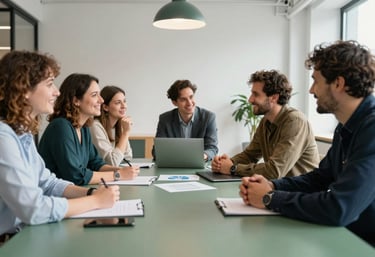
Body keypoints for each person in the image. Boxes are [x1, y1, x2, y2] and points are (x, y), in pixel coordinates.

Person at [239, 40, 375, 246]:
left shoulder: (371, 129)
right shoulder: (345, 126)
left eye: (316, 81)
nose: (311, 90)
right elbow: (320, 178)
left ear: (338, 83)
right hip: (348, 237)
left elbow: (340, 207)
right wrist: (272, 185)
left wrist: (270, 198)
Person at [0, 51, 120, 244]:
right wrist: (95, 201)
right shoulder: (3, 138)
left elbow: (48, 183)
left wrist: (91, 193)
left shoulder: (22, 135)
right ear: (24, 90)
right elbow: (33, 209)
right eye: (49, 84)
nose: (56, 92)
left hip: (22, 235)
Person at [212, 70, 320, 179]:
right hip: (281, 189)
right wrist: (225, 163)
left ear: (274, 98)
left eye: (256, 94)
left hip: (303, 193)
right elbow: (250, 155)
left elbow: (274, 171)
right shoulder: (266, 121)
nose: (250, 100)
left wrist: (233, 168)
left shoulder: (295, 121)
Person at [38, 73, 140, 185]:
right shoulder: (61, 127)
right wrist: (118, 175)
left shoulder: (84, 127)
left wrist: (122, 171)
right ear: (76, 100)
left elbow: (96, 164)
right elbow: (76, 176)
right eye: (94, 95)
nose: (101, 100)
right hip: (55, 197)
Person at [153, 79, 218, 161]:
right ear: (174, 102)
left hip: (200, 164)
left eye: (191, 97)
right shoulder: (165, 119)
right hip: (173, 165)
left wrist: (202, 156)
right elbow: (156, 151)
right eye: (183, 99)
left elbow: (212, 148)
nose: (189, 103)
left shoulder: (208, 117)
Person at [90, 85, 133, 166]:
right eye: (118, 103)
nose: (124, 106)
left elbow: (128, 157)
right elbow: (112, 162)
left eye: (124, 101)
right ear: (105, 107)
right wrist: (126, 133)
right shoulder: (95, 126)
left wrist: (124, 131)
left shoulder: (119, 125)